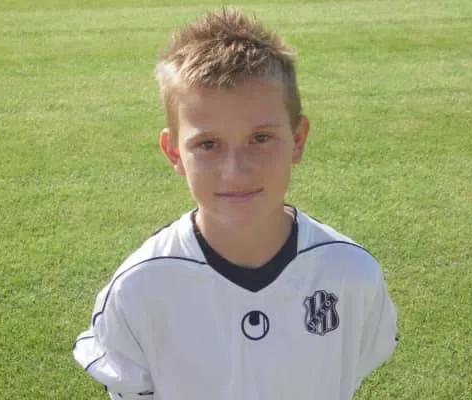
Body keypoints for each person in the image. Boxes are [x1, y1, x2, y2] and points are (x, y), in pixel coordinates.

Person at [73, 7, 397, 400]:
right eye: (208, 144)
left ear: (297, 140)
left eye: (260, 138)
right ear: (174, 152)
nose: (236, 170)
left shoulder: (351, 274)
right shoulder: (138, 289)